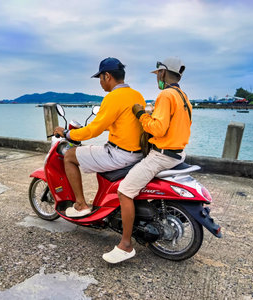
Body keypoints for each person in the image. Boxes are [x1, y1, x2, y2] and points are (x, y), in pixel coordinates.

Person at [102, 57, 192, 263]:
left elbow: (157, 129)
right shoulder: (183, 96)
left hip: (161, 156)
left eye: (157, 74)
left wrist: (141, 114)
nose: (157, 78)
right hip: (178, 153)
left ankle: (125, 245)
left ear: (162, 73)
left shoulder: (166, 94)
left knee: (124, 191)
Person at [53, 57, 146, 218]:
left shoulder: (112, 97)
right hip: (137, 154)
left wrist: (68, 133)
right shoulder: (137, 95)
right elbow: (123, 123)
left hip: (120, 155)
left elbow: (94, 131)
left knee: (69, 156)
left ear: (107, 76)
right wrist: (89, 129)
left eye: (100, 78)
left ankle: (81, 205)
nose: (100, 82)